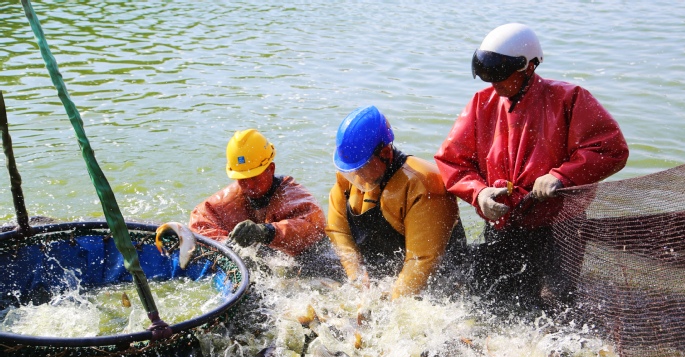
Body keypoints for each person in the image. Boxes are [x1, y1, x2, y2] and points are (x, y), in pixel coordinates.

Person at [435, 23, 629, 310]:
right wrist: (478, 193)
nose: (494, 83)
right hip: (503, 219)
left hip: (558, 224)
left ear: (528, 67)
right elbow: (452, 161)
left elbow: (611, 149)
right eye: (488, 75)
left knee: (557, 303)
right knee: (497, 302)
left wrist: (561, 176)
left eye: (500, 74)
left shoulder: (570, 98)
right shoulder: (480, 103)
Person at [326, 105, 466, 300]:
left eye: (362, 167)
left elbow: (421, 261)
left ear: (385, 153)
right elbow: (337, 231)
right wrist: (356, 278)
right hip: (386, 277)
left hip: (439, 285)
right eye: (350, 170)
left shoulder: (423, 184)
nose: (356, 175)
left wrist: (390, 308)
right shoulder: (349, 181)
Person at [189, 128, 330, 264]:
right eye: (243, 179)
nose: (249, 186)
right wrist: (228, 245)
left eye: (255, 177)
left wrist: (265, 232)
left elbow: (312, 227)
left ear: (271, 169)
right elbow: (200, 222)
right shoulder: (225, 201)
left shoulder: (294, 197)